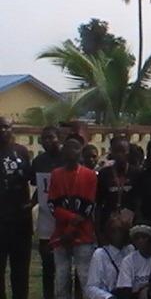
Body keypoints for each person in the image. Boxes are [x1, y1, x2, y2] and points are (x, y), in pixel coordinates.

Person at [48, 137, 98, 299]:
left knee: (85, 277)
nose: (71, 152)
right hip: (60, 235)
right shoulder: (56, 175)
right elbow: (53, 205)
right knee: (61, 277)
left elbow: (87, 207)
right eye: (68, 148)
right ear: (63, 152)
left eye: (76, 148)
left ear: (80, 153)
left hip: (82, 234)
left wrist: (70, 229)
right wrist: (70, 219)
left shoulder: (89, 175)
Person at [0, 116, 32, 299]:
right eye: (0, 127)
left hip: (21, 222)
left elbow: (32, 178)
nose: (4, 131)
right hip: (1, 221)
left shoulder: (21, 152)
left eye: (7, 127)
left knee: (21, 270)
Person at [32, 125, 65, 299]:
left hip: (66, 218)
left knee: (65, 264)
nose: (47, 141)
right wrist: (30, 205)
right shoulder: (38, 162)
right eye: (44, 138)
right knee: (47, 264)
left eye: (51, 137)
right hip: (46, 219)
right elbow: (38, 188)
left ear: (59, 137)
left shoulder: (68, 158)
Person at [96, 136, 138, 240]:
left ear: (128, 152)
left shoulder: (137, 173)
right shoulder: (104, 174)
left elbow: (140, 201)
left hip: (131, 225)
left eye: (123, 151)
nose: (120, 155)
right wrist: (98, 230)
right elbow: (98, 203)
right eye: (116, 151)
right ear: (111, 152)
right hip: (109, 224)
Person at [115, 223, 151, 299]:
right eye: (137, 238)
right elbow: (124, 290)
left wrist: (148, 289)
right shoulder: (128, 261)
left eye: (144, 237)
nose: (140, 240)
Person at [85, 217, 135, 299]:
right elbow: (91, 288)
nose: (117, 234)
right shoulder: (100, 254)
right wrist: (108, 297)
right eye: (113, 231)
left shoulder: (130, 250)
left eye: (120, 230)